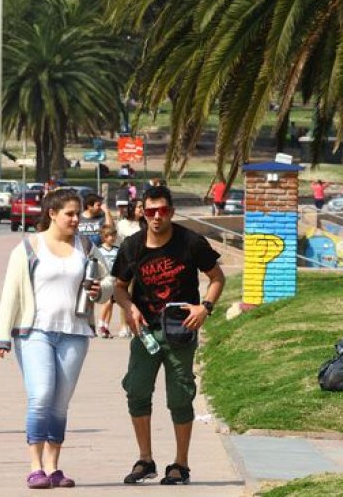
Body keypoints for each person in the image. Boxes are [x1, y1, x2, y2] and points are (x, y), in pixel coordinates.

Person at [0, 188, 115, 489]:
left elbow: (109, 278)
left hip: (74, 332)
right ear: (52, 214)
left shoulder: (85, 247)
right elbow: (11, 293)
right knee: (42, 395)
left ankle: (53, 467)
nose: (76, 219)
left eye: (77, 213)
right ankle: (35, 467)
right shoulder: (28, 248)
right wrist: (1, 336)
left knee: (60, 403)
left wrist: (103, 291)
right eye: (70, 214)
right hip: (34, 332)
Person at [111, 186, 225, 486]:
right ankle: (145, 459)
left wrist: (205, 308)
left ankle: (180, 464)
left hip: (180, 332)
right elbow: (119, 287)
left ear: (172, 212)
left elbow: (216, 277)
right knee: (136, 391)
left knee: (179, 397)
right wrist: (129, 308)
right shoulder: (132, 247)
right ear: (142, 213)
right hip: (145, 332)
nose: (157, 217)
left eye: (162, 211)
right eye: (150, 211)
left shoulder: (190, 242)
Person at [115, 199, 145, 338]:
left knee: (136, 295)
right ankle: (123, 325)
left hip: (141, 264)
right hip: (125, 263)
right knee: (124, 294)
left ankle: (138, 323)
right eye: (139, 207)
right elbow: (117, 244)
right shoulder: (122, 225)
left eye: (143, 207)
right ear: (132, 209)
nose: (142, 209)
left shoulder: (145, 225)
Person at [96, 225, 119, 339]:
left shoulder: (116, 250)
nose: (113, 238)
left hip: (114, 279)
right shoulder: (99, 250)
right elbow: (95, 264)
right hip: (104, 279)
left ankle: (106, 327)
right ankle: (100, 325)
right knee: (107, 302)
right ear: (104, 237)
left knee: (111, 305)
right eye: (110, 236)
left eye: (114, 236)